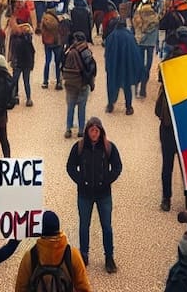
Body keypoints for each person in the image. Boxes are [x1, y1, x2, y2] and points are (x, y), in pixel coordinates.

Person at [66, 116, 123, 273]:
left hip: (104, 194)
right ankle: (84, 256)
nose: (94, 133)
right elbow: (70, 167)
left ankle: (109, 257)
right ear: (87, 131)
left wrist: (107, 180)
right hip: (84, 194)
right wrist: (80, 180)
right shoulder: (79, 147)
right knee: (84, 226)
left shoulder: (108, 147)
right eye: (92, 130)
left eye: (97, 130)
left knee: (107, 227)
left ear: (101, 132)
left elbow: (117, 166)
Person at [13, 210, 89, 292]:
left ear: (41, 230)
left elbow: (20, 288)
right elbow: (84, 287)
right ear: (58, 229)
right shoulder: (72, 254)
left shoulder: (30, 256)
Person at [156, 72, 187, 213]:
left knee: (181, 166)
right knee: (181, 166)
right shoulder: (169, 87)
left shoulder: (184, 88)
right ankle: (186, 199)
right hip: (173, 130)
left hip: (177, 130)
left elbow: (157, 111)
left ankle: (168, 199)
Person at [103, 11, 143, 114]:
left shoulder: (111, 37)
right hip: (126, 65)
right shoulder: (130, 37)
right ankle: (128, 107)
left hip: (114, 65)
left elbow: (107, 53)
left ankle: (110, 105)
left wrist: (108, 66)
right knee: (127, 87)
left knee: (112, 84)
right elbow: (135, 52)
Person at [62, 32, 97, 139]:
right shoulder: (86, 52)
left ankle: (68, 129)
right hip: (82, 83)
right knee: (82, 108)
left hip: (70, 84)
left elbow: (61, 65)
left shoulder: (69, 51)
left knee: (70, 107)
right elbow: (92, 69)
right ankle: (81, 130)